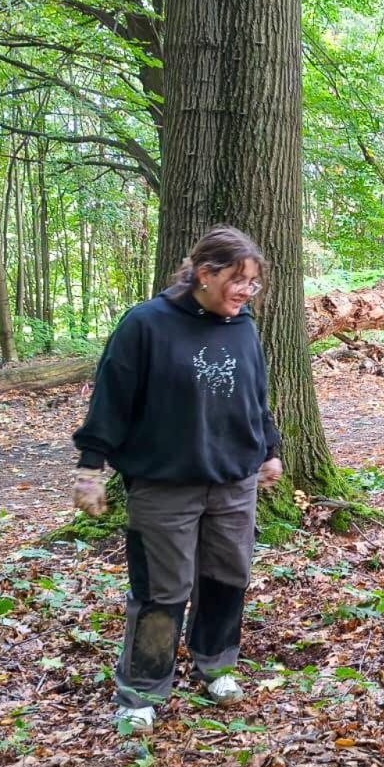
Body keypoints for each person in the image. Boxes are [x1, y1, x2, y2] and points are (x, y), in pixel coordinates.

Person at [70, 225, 284, 733]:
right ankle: (141, 692)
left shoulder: (242, 326)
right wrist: (89, 468)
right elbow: (111, 398)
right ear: (204, 274)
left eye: (252, 283)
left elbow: (256, 396)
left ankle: (215, 664)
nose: (245, 292)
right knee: (161, 592)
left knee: (228, 577)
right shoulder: (146, 324)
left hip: (233, 481)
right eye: (238, 280)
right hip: (165, 486)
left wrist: (270, 449)